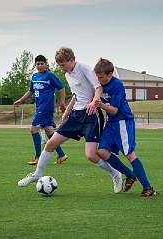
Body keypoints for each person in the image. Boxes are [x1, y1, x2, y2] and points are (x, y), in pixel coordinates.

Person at [17, 47, 123, 193]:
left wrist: (94, 101)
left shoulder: (84, 69)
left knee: (91, 155)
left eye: (63, 64)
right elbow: (76, 95)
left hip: (91, 115)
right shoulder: (67, 74)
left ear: (72, 60)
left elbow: (98, 87)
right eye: (59, 65)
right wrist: (67, 111)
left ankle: (115, 173)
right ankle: (37, 174)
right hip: (75, 115)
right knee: (50, 143)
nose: (62, 68)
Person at [94, 58, 158, 197]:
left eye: (101, 77)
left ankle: (148, 187)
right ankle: (129, 174)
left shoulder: (117, 85)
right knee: (101, 151)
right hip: (111, 123)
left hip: (122, 121)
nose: (98, 79)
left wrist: (101, 105)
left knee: (129, 154)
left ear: (110, 74)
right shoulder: (99, 84)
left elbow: (115, 110)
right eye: (97, 77)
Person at [14, 55, 68, 165]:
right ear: (35, 65)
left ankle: (37, 157)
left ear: (46, 64)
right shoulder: (34, 77)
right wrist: (21, 100)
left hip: (46, 107)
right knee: (48, 130)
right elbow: (31, 91)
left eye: (42, 63)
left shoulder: (50, 75)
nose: (40, 65)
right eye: (38, 64)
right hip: (40, 107)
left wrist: (62, 102)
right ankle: (61, 155)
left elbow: (62, 88)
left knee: (33, 129)